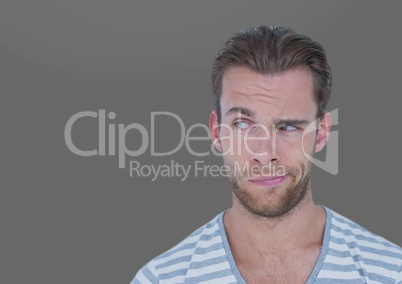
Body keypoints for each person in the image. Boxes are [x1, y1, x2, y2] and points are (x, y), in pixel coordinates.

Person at [131, 25, 402, 283]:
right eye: (243, 124)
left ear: (321, 133)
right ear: (216, 133)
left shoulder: (390, 273)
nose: (264, 154)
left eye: (287, 127)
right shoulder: (162, 279)